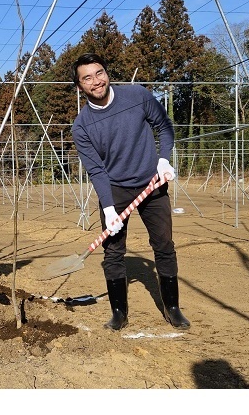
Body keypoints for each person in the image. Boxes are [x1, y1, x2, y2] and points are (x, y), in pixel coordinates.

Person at [70, 53, 190, 331]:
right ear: (79, 87)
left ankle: (172, 308)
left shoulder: (137, 96)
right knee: (113, 253)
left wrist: (164, 159)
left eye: (99, 73)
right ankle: (119, 312)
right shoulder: (81, 126)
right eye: (87, 78)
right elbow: (96, 170)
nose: (96, 81)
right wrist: (109, 208)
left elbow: (164, 126)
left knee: (164, 246)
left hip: (152, 183)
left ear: (106, 72)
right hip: (114, 189)